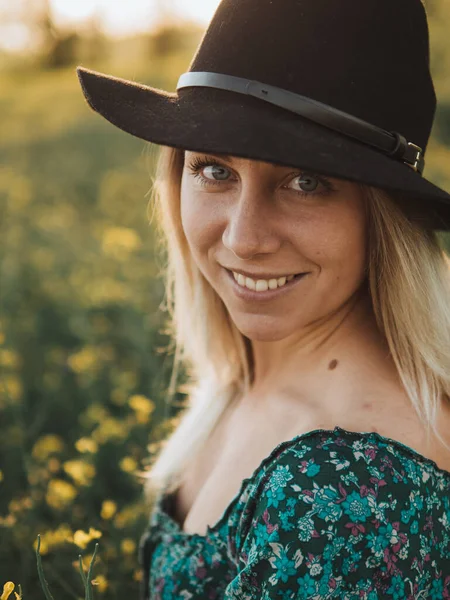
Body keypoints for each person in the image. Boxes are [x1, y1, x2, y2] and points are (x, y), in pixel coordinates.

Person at [76, 0, 450, 597]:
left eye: (305, 182)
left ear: (384, 219)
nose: (244, 239)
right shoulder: (246, 377)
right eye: (214, 170)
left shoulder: (348, 493)